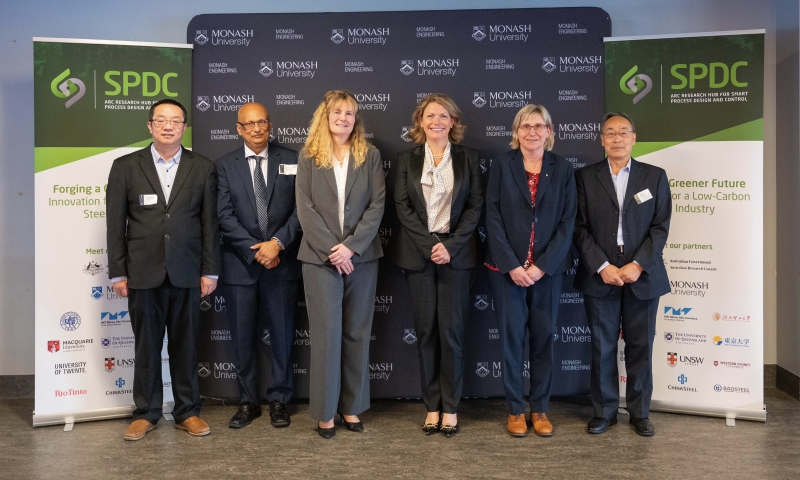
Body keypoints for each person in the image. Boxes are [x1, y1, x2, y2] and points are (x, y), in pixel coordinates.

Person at [106, 99, 220, 441]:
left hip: (187, 271)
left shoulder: (202, 167)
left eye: (175, 121)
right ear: (150, 126)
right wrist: (118, 272)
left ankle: (188, 412)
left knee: (185, 346)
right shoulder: (125, 166)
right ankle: (146, 412)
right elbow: (115, 224)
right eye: (161, 120)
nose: (168, 126)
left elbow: (210, 224)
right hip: (142, 272)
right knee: (146, 346)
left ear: (185, 126)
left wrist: (210, 271)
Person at [573, 112, 671, 437]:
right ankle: (605, 413)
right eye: (610, 133)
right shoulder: (585, 177)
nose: (617, 138)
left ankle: (640, 413)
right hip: (600, 273)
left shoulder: (654, 177)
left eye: (623, 133)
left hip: (642, 275)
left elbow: (660, 228)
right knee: (601, 347)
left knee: (640, 346)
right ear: (601, 139)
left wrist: (638, 264)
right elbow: (579, 227)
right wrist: (601, 266)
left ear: (634, 137)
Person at [295, 90, 385, 439]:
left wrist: (350, 249)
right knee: (326, 336)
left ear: (356, 119)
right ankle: (325, 413)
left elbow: (377, 206)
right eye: (337, 111)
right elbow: (304, 207)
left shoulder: (371, 155)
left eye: (350, 113)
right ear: (325, 115)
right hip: (319, 259)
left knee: (357, 334)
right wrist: (333, 249)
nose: (344, 118)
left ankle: (351, 408)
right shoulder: (308, 156)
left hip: (361, 257)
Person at [392, 93, 483, 437]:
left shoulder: (469, 158)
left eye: (443, 116)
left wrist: (450, 246)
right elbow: (403, 208)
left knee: (453, 334)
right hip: (419, 255)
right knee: (427, 333)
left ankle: (452, 408)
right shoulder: (406, 159)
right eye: (430, 116)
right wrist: (432, 246)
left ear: (453, 122)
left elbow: (475, 207)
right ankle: (432, 406)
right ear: (420, 122)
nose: (436, 122)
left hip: (457, 256)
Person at [484, 104, 576, 437]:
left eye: (539, 126)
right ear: (516, 132)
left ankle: (539, 409)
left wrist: (541, 267)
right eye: (525, 126)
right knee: (511, 341)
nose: (532, 132)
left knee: (542, 341)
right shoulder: (501, 165)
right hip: (506, 271)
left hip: (547, 273)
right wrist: (512, 265)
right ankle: (514, 410)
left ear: (549, 131)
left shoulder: (563, 168)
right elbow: (491, 218)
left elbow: (568, 223)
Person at [215, 102, 302, 429]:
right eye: (248, 124)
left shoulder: (293, 160)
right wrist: (257, 251)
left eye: (261, 122)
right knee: (242, 338)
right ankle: (248, 401)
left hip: (283, 263)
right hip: (241, 266)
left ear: (269, 124)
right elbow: (223, 215)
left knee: (283, 336)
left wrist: (277, 244)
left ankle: (279, 400)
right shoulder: (224, 165)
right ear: (238, 128)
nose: (256, 128)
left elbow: (301, 211)